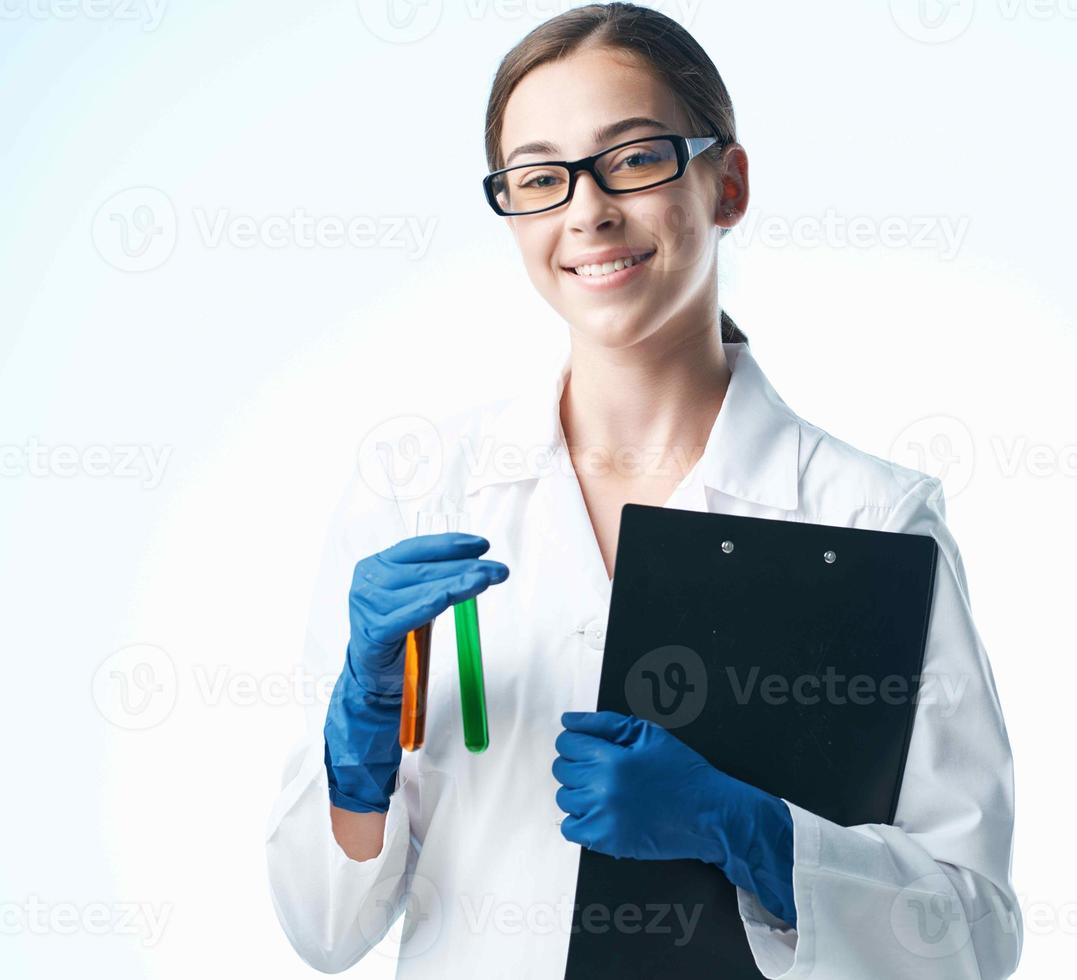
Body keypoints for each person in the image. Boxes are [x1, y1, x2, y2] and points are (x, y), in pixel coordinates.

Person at [263, 4, 1021, 977]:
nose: (586, 210)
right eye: (539, 177)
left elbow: (973, 933)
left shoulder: (869, 518)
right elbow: (322, 930)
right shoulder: (421, 496)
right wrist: (356, 744)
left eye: (632, 158)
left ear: (728, 183)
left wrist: (751, 832)